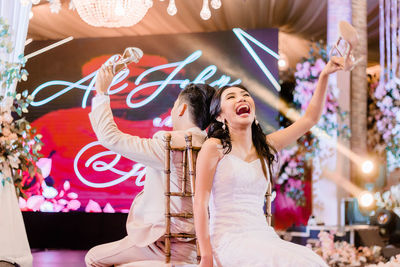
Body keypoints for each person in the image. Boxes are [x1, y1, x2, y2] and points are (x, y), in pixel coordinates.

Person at [194, 56, 345, 267]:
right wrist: (206, 255)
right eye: (231, 97)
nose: (241, 99)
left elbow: (309, 119)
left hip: (263, 236)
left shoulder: (266, 146)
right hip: (228, 239)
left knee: (312, 261)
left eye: (245, 95)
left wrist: (324, 75)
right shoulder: (214, 147)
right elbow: (200, 202)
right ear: (220, 116)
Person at [85, 64, 215, 266]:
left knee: (93, 257)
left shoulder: (170, 143)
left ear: (180, 108)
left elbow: (110, 137)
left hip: (161, 244)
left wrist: (101, 92)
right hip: (198, 244)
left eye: (173, 106)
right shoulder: (213, 147)